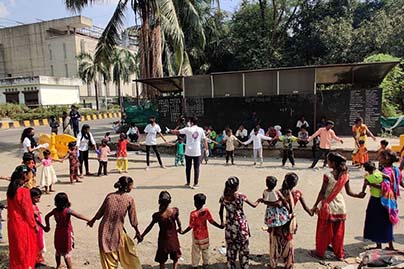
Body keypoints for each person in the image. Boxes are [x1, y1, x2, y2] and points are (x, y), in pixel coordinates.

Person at [310, 153, 365, 260]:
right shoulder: (345, 175)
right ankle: (339, 253)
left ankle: (320, 252)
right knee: (338, 232)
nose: (327, 162)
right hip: (340, 206)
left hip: (328, 206)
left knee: (324, 231)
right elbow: (349, 192)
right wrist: (359, 195)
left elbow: (322, 192)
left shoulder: (328, 176)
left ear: (333, 163)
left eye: (328, 161)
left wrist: (315, 205)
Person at [87, 176, 142, 269]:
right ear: (127, 187)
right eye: (131, 186)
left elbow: (100, 212)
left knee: (109, 260)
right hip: (118, 231)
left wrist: (92, 221)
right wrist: (137, 232)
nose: (132, 188)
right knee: (130, 256)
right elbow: (133, 220)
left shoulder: (110, 196)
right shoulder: (129, 199)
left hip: (104, 231)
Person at [268, 173, 312, 269]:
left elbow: (273, 205)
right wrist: (312, 212)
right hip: (290, 221)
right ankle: (288, 263)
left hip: (278, 221)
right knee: (288, 240)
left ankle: (274, 262)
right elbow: (306, 208)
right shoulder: (297, 194)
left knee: (275, 240)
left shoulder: (278, 192)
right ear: (295, 183)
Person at [219, 177, 259, 269]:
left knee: (231, 249)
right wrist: (259, 200)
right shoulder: (240, 196)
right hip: (241, 225)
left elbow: (220, 211)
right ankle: (244, 266)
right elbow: (253, 205)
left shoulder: (223, 197)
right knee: (243, 249)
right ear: (237, 187)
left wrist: (222, 222)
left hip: (230, 226)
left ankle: (231, 266)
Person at [44, 192, 90, 269]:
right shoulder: (67, 211)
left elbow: (46, 216)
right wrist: (89, 219)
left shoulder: (55, 211)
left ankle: (58, 265)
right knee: (67, 253)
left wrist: (47, 226)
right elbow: (78, 215)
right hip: (66, 233)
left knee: (58, 250)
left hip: (58, 232)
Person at [140, 191, 182, 269]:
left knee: (162, 260)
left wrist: (142, 235)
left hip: (163, 240)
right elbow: (178, 220)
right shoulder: (175, 211)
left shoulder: (157, 215)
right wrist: (180, 229)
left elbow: (150, 227)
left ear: (159, 202)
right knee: (175, 257)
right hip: (173, 239)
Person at [180, 193, 223, 269]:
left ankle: (195, 265)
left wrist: (183, 232)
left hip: (196, 236)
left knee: (195, 251)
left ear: (195, 203)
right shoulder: (206, 211)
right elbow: (211, 221)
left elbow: (191, 226)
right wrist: (219, 226)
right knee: (205, 250)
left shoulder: (193, 214)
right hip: (205, 235)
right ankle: (205, 264)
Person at [7, 165, 37, 269]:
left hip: (12, 224)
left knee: (16, 251)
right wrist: (34, 225)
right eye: (29, 173)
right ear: (24, 175)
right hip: (23, 226)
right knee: (25, 252)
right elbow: (27, 211)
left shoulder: (11, 190)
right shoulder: (24, 191)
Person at [169, 117, 208, 189]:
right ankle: (196, 184)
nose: (188, 123)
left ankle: (188, 183)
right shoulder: (200, 129)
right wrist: (207, 149)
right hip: (197, 152)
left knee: (188, 168)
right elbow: (204, 139)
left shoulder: (187, 129)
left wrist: (169, 130)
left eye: (189, 121)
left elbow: (177, 132)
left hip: (188, 152)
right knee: (196, 168)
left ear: (192, 122)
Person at [361, 161, 392, 249]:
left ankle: (378, 245)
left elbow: (363, 188)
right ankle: (386, 242)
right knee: (383, 220)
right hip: (384, 199)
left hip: (375, 200)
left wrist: (364, 190)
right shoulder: (379, 173)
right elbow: (388, 178)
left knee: (374, 221)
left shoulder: (368, 178)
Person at [377, 149, 403, 250]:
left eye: (380, 157)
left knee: (379, 221)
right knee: (389, 222)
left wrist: (370, 183)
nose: (379, 159)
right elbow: (400, 182)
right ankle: (390, 244)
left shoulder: (384, 172)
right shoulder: (396, 170)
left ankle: (379, 244)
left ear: (386, 159)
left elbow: (383, 186)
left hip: (384, 199)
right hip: (393, 200)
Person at [31, 187, 46, 266]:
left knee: (39, 242)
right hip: (36, 228)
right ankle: (37, 260)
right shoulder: (31, 207)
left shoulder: (33, 205)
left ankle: (38, 258)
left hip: (39, 227)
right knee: (37, 243)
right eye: (37, 197)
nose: (39, 199)